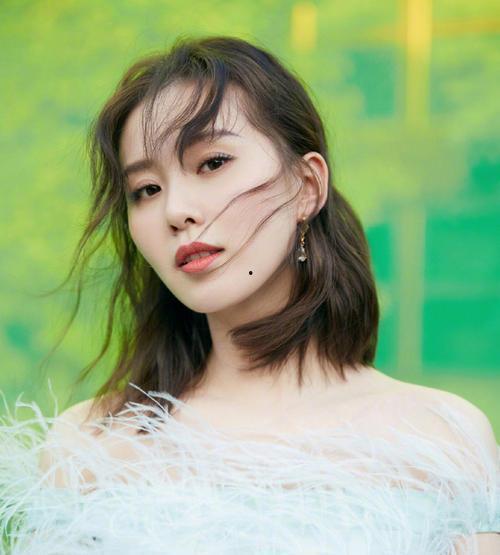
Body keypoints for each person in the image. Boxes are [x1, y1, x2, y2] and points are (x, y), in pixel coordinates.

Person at [0, 35, 498, 554]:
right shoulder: (92, 448)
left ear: (307, 186)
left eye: (212, 163)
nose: (176, 210)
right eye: (146, 189)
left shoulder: (438, 441)